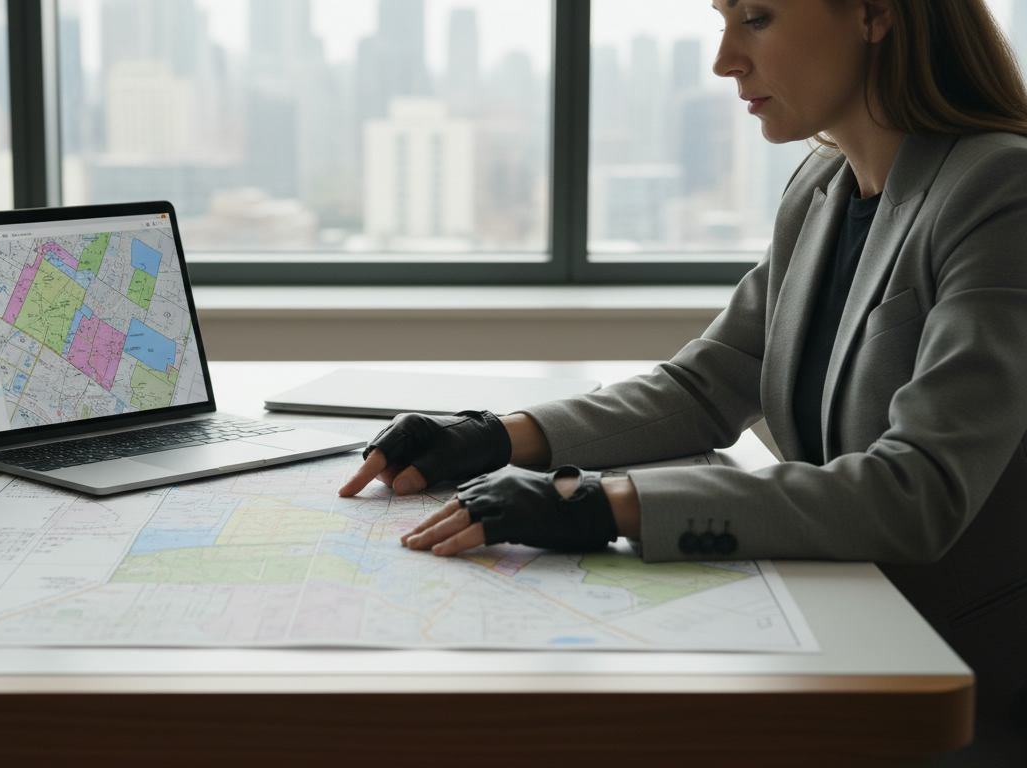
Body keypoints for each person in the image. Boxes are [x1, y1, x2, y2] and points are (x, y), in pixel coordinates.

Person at [339, 0, 1027, 743]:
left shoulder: (1000, 192)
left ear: (873, 15)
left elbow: (915, 492)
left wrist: (597, 505)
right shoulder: (822, 188)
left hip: (955, 674)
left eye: (756, 18)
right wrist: (492, 437)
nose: (724, 58)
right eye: (723, 19)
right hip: (839, 623)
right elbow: (706, 384)